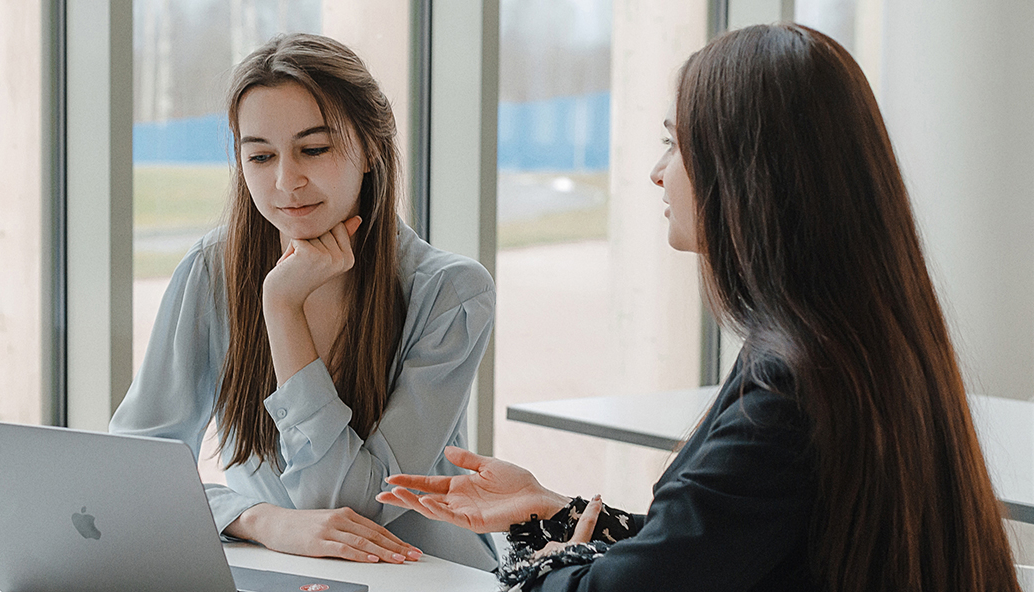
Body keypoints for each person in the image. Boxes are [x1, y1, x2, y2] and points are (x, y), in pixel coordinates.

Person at [378, 23, 1021, 592]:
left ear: (747, 170)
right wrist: (545, 508)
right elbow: (711, 548)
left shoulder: (789, 389)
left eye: (675, 144)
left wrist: (546, 565)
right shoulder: (846, 342)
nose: (659, 173)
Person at [109, 33, 499, 570]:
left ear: (371, 149)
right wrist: (258, 519)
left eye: (314, 149)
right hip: (275, 568)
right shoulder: (212, 269)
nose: (286, 181)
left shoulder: (451, 293)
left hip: (423, 574)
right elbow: (133, 466)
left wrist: (283, 307)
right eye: (260, 156)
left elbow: (349, 506)